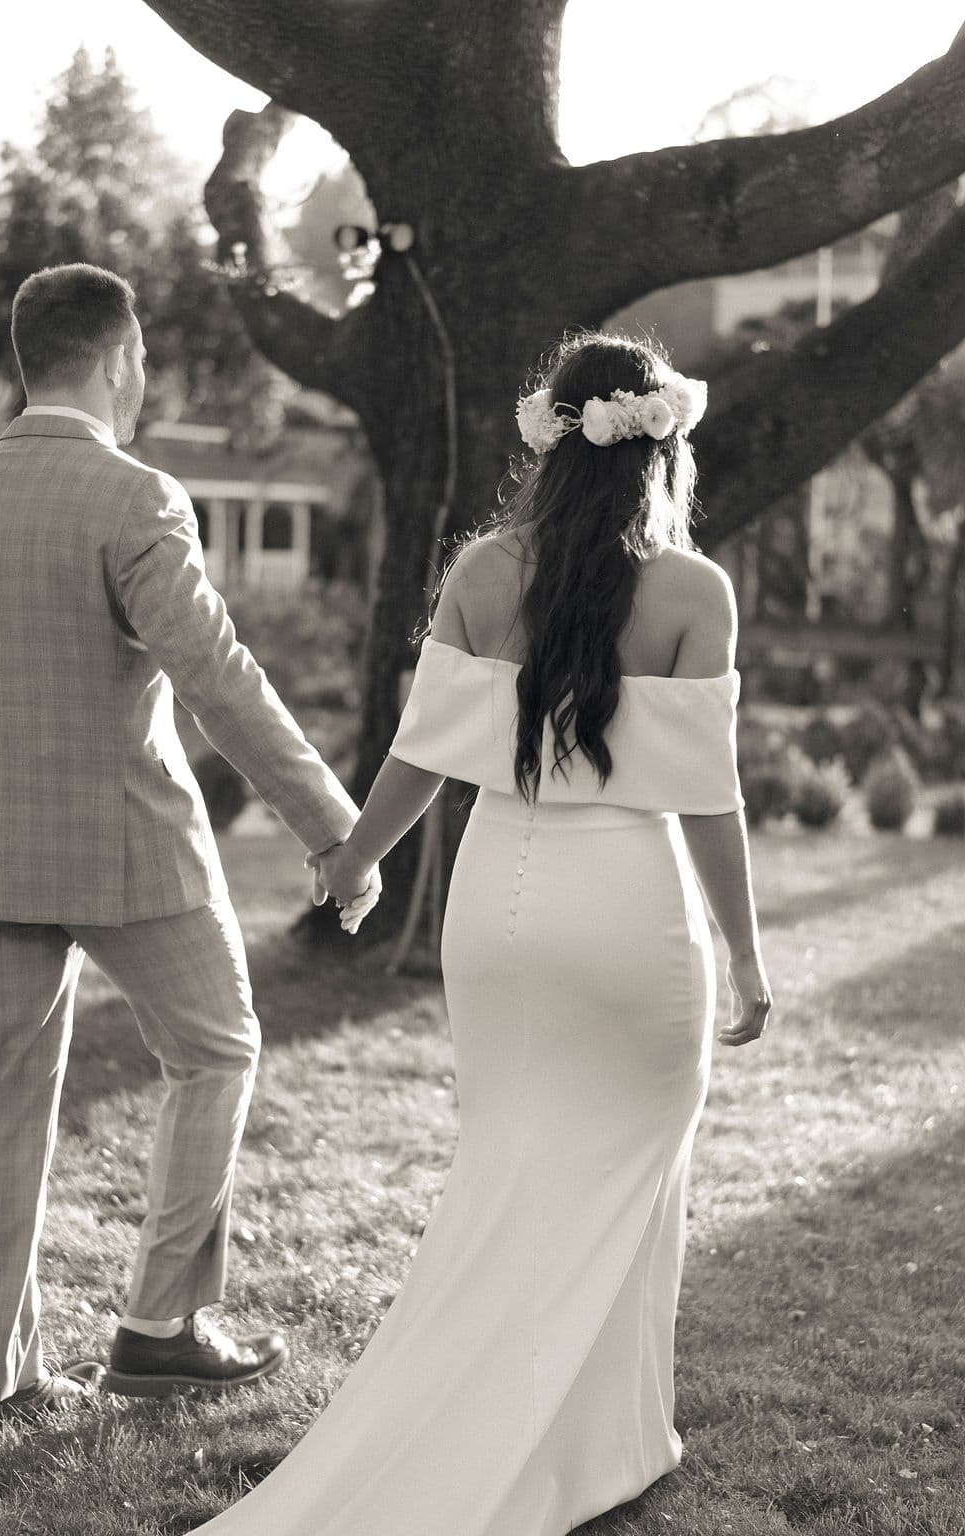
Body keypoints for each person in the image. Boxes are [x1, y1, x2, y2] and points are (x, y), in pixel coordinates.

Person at [188, 331, 773, 1535]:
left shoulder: (481, 572)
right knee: (620, 1175)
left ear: (548, 438)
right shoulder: (693, 594)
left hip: (496, 906)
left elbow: (417, 755)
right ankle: (581, 1445)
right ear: (661, 443)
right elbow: (708, 799)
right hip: (627, 911)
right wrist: (747, 955)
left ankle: (576, 1431)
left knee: (507, 1167)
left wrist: (356, 859)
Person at [0, 263, 380, 1434]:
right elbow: (218, 677)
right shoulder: (134, 495)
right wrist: (335, 826)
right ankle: (158, 1329)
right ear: (119, 357)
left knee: (3, 1100)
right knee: (220, 1049)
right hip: (130, 845)